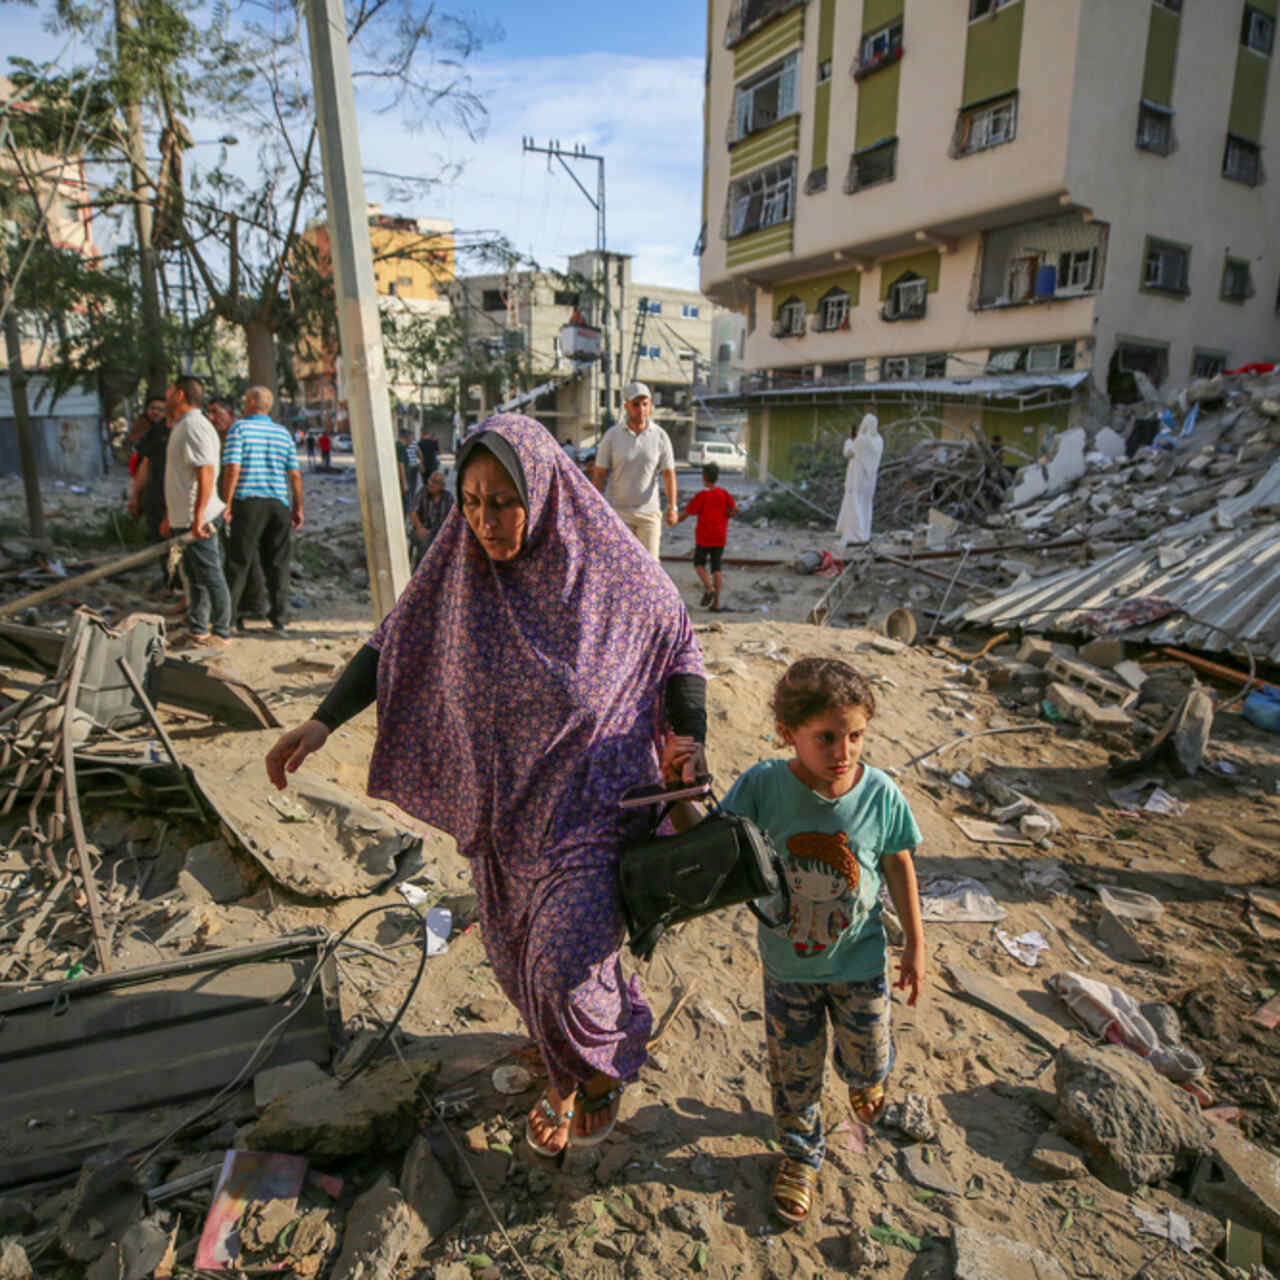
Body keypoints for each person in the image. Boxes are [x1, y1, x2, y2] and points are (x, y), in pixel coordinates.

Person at [263, 414, 708, 1158]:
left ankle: (598, 1074)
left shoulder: (613, 570)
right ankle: (564, 1066)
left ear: (542, 491)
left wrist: (688, 738)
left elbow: (679, 643)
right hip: (504, 815)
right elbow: (392, 643)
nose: (485, 520)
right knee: (513, 961)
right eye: (470, 501)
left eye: (503, 501)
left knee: (562, 968)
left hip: (593, 811)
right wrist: (321, 723)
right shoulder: (458, 570)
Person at [672, 657, 924, 1224]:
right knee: (795, 1073)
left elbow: (898, 863)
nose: (844, 752)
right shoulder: (764, 785)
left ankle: (865, 1080)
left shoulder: (880, 793)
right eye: (827, 737)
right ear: (789, 733)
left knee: (868, 1056)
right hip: (788, 970)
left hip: (861, 964)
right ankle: (801, 1156)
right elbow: (711, 843)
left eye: (856, 736)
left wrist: (914, 942)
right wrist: (679, 790)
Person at [221, 386, 304, 633]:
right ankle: (279, 617)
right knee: (278, 562)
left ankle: (230, 618)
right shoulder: (282, 434)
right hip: (279, 504)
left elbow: (233, 468)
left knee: (239, 561)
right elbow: (295, 474)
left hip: (249, 501)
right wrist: (298, 506)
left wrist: (225, 503)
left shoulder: (240, 429)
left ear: (249, 402)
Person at [160, 376, 232, 648]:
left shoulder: (195, 426)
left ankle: (222, 632)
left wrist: (198, 515)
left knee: (210, 574)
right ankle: (199, 629)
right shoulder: (184, 425)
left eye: (168, 390)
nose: (165, 395)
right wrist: (172, 516)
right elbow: (181, 477)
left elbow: (207, 471)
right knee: (195, 577)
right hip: (187, 516)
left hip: (198, 517)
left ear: (179, 394)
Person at [591, 381, 678, 559]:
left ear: (650, 405)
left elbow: (668, 474)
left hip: (649, 514)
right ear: (626, 406)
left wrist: (672, 507)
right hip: (618, 513)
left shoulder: (660, 436)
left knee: (651, 567)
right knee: (621, 565)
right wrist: (594, 508)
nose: (641, 409)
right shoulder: (612, 436)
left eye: (645, 404)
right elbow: (599, 475)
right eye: (636, 404)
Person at [676, 461, 737, 612]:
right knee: (716, 567)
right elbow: (735, 508)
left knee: (699, 563)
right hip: (720, 536)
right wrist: (726, 516)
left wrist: (674, 519)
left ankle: (709, 588)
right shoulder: (723, 493)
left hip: (704, 537)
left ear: (704, 478)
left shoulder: (702, 495)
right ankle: (716, 604)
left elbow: (687, 514)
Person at [835, 413, 884, 546]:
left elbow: (848, 453)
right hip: (870, 479)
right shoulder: (879, 440)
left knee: (855, 504)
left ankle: (856, 535)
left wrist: (849, 442)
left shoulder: (861, 440)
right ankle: (864, 533)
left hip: (857, 478)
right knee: (866, 505)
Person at [127, 396, 170, 541]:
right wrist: (135, 495)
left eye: (160, 409)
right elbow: (144, 462)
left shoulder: (172, 429)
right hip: (152, 492)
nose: (156, 412)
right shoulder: (147, 429)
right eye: (153, 408)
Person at [408, 469, 453, 566]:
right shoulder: (423, 492)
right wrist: (419, 527)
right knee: (426, 541)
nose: (431, 484)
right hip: (421, 529)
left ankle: (436, 570)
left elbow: (454, 517)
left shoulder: (448, 497)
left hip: (439, 532)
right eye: (430, 480)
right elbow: (412, 511)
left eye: (435, 482)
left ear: (442, 486)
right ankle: (425, 570)